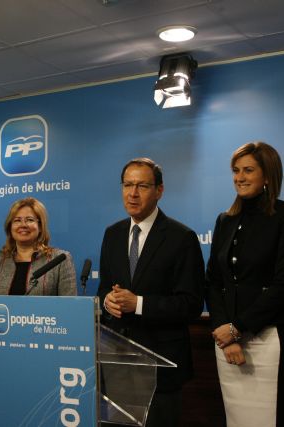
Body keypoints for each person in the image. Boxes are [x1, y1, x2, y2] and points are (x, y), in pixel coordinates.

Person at [97, 157, 204, 427]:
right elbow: (103, 288)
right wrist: (107, 301)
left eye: (142, 186)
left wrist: (140, 304)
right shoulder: (112, 234)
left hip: (161, 367)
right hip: (117, 363)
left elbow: (191, 305)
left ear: (159, 190)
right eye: (127, 185)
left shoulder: (181, 237)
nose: (132, 193)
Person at [205, 142, 284, 427]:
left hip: (270, 340)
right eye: (236, 171)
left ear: (268, 175)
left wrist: (237, 328)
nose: (240, 177)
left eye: (248, 170)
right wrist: (224, 331)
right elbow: (213, 282)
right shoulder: (225, 220)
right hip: (227, 345)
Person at [0, 197, 76, 296]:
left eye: (29, 220)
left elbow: (69, 306)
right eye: (17, 220)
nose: (23, 225)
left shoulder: (59, 260)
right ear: (10, 227)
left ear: (40, 226)